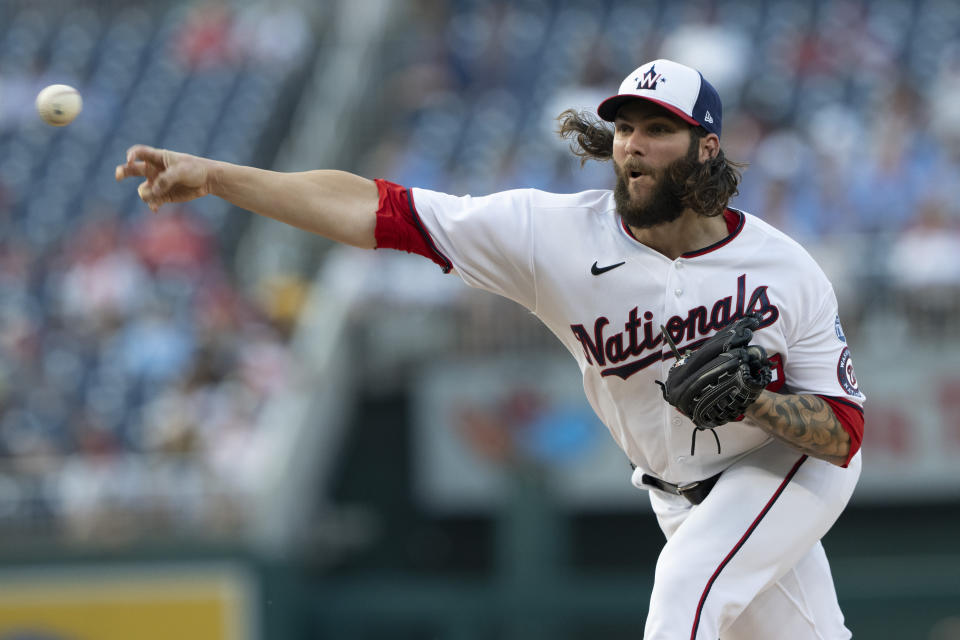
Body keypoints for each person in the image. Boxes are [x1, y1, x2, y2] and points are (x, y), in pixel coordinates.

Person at [116, 59, 864, 639]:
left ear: (706, 149)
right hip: (675, 495)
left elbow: (845, 436)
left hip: (782, 469)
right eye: (626, 127)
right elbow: (378, 211)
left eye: (657, 129)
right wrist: (216, 177)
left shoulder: (783, 269)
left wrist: (759, 401)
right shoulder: (554, 236)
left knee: (685, 588)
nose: (634, 145)